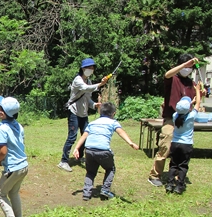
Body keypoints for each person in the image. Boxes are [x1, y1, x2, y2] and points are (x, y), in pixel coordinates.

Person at [148, 54, 202, 187]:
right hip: (170, 119)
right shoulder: (173, 79)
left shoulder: (191, 83)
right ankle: (155, 175)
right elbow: (167, 74)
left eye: (190, 67)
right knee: (165, 147)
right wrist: (185, 64)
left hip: (184, 122)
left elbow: (195, 101)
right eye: (186, 65)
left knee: (181, 150)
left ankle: (177, 175)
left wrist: (200, 94)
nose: (188, 68)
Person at [72, 102, 139, 200]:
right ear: (114, 113)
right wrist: (131, 143)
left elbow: (84, 135)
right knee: (110, 168)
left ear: (100, 112)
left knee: (90, 172)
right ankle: (105, 190)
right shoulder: (113, 122)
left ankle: (86, 194)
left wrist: (76, 148)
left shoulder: (93, 123)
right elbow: (121, 132)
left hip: (89, 150)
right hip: (103, 151)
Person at [58, 58, 110, 172]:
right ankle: (63, 161)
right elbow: (85, 89)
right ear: (83, 68)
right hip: (74, 112)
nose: (91, 70)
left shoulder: (89, 81)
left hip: (83, 113)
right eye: (89, 68)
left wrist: (94, 105)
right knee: (72, 137)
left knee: (85, 135)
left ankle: (79, 157)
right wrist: (100, 84)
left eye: (92, 68)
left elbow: (87, 98)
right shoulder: (78, 80)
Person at [0, 95, 28, 217]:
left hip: (13, 168)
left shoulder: (2, 129)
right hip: (23, 165)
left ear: (2, 113)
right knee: (13, 192)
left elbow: (3, 150)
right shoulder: (18, 125)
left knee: (0, 193)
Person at [166, 97, 197, 194]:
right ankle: (179, 186)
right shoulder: (191, 116)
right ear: (189, 108)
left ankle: (170, 185)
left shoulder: (175, 115)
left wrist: (190, 102)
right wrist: (197, 91)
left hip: (175, 144)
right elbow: (198, 104)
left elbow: (183, 109)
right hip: (186, 144)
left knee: (173, 165)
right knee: (183, 166)